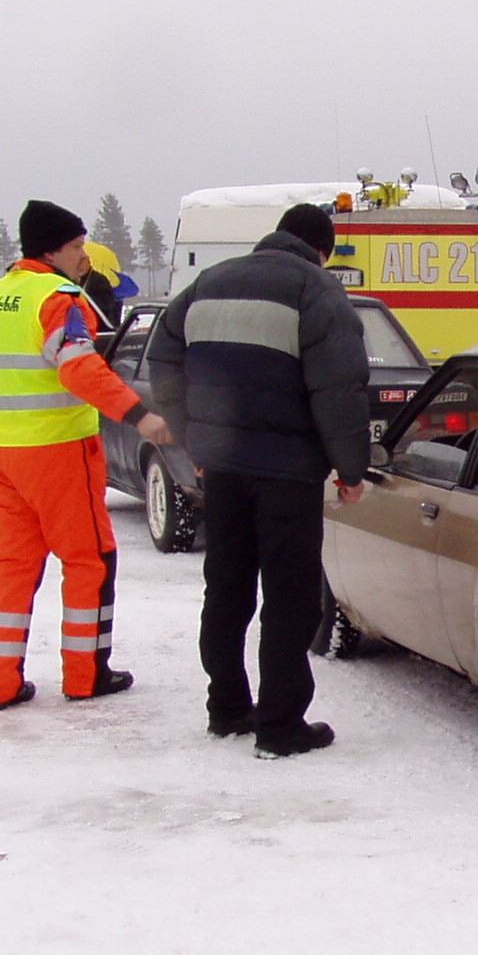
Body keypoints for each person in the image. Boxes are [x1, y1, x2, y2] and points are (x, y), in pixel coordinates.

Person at [146, 203, 369, 758]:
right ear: (322, 249)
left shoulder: (208, 284)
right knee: (291, 598)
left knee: (226, 588)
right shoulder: (314, 290)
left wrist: (190, 436)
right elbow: (338, 388)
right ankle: (280, 726)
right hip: (286, 474)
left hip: (221, 467)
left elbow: (162, 356)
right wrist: (350, 470)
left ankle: (226, 708)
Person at [0, 200, 175, 712]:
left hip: (3, 450)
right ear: (51, 248)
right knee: (90, 559)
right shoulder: (59, 298)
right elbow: (79, 370)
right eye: (78, 246)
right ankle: (86, 675)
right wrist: (140, 416)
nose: (83, 256)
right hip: (58, 450)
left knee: (13, 564)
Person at [79, 240, 137, 330]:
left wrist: (86, 301)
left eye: (82, 260)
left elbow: (107, 302)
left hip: (103, 330)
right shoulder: (72, 280)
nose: (79, 265)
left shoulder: (100, 280)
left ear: (90, 261)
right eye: (77, 261)